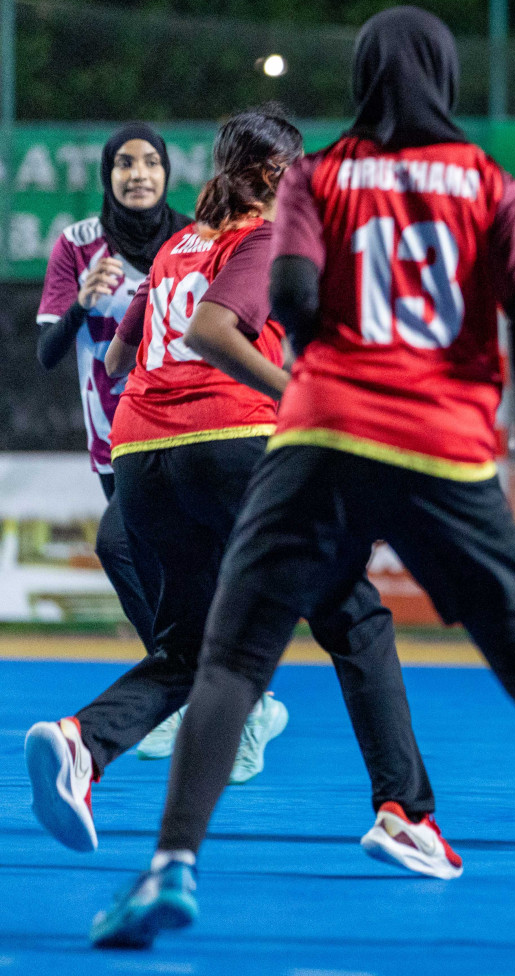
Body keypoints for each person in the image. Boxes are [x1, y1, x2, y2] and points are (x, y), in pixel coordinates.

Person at [85, 8, 515, 951]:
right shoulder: (489, 182)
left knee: (230, 662)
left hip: (323, 440)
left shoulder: (322, 177)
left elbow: (292, 300)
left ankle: (170, 868)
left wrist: (335, 366)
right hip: (439, 446)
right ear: (446, 78)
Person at [25, 106, 457, 886]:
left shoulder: (177, 247)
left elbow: (121, 358)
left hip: (144, 461)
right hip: (231, 447)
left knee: (194, 648)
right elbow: (213, 334)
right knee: (355, 617)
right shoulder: (260, 238)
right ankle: (407, 814)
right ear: (272, 176)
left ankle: (82, 743)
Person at [36, 126, 181, 699]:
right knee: (149, 573)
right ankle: (194, 688)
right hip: (112, 445)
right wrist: (82, 304)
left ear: (167, 174)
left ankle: (197, 688)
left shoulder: (194, 240)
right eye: (125, 163)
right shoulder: (77, 244)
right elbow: (47, 353)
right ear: (107, 175)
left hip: (180, 431)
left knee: (124, 548)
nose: (138, 174)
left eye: (150, 162)